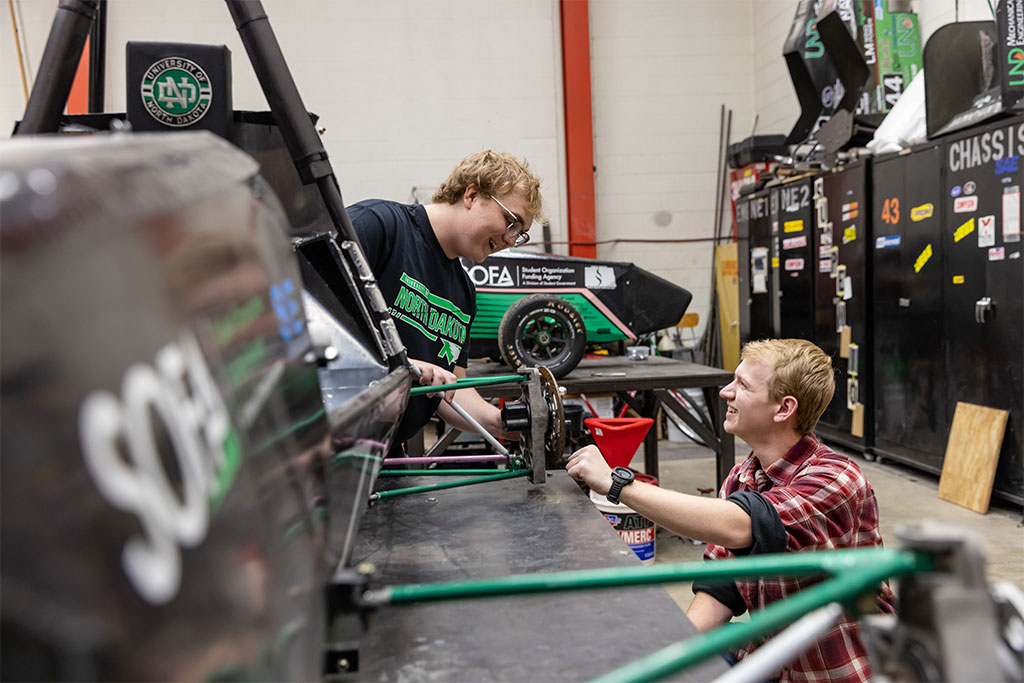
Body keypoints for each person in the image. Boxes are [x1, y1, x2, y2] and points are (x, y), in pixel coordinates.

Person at [566, 338, 895, 682]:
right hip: (775, 659)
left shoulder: (836, 478)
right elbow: (723, 586)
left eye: (742, 385)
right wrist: (672, 658)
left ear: (783, 409)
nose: (726, 392)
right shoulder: (743, 477)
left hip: (839, 671)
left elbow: (748, 526)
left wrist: (617, 484)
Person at [346, 149, 544, 447]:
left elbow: (451, 388)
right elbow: (306, 318)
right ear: (472, 195)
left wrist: (499, 422)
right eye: (511, 221)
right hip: (319, 450)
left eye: (520, 234)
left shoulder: (463, 292)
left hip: (381, 455)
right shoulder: (378, 226)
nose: (509, 240)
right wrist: (405, 365)